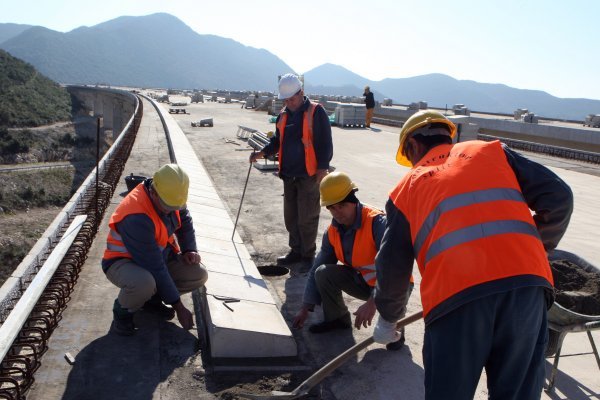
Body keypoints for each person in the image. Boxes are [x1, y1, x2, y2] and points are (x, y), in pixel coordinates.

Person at [372, 110, 573, 399]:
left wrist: (389, 318)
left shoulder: (406, 189)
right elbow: (560, 199)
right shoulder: (491, 152)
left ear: (413, 147)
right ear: (448, 136)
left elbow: (392, 267)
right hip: (527, 291)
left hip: (455, 300)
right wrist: (534, 248)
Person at [292, 172, 412, 350]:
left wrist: (373, 303)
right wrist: (305, 307)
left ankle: (397, 327)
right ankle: (337, 319)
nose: (337, 212)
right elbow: (316, 268)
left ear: (354, 200)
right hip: (364, 281)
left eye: (342, 206)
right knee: (323, 272)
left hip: (394, 285)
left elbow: (395, 269)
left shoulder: (377, 223)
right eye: (332, 208)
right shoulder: (332, 232)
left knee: (391, 340)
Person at [102, 164, 208, 336]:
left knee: (198, 273)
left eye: (175, 206)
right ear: (153, 192)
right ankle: (122, 312)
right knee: (144, 282)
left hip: (157, 257)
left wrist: (189, 249)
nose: (171, 211)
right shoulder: (137, 216)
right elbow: (155, 267)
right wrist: (179, 306)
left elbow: (185, 221)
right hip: (122, 262)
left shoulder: (172, 195)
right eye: (167, 206)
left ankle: (151, 301)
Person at [250, 73, 333, 268]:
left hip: (309, 175)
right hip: (289, 174)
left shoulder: (316, 112)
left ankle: (307, 256)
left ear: (301, 93)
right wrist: (262, 153)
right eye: (286, 100)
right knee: (291, 217)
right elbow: (278, 141)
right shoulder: (284, 115)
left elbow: (325, 143)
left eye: (292, 98)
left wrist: (322, 168)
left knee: (307, 218)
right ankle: (295, 251)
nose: (290, 103)